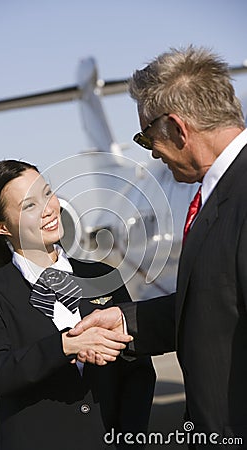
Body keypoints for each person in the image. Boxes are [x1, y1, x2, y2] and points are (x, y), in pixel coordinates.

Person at [69, 46, 247, 446]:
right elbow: (219, 305)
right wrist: (127, 321)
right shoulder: (218, 193)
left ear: (179, 129)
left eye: (147, 136)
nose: (149, 151)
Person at [0, 160, 155, 450]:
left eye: (47, 194)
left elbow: (137, 368)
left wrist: (129, 440)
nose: (49, 208)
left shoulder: (101, 275)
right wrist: (65, 346)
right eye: (29, 206)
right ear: (0, 226)